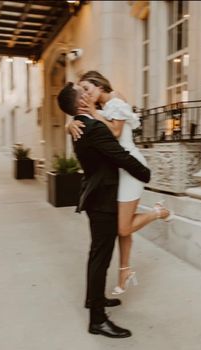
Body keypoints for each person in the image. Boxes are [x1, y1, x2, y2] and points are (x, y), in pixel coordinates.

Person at [57, 81, 152, 338]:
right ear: (80, 104)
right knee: (100, 258)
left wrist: (71, 122)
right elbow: (120, 156)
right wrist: (145, 173)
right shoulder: (92, 127)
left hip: (96, 195)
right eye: (83, 92)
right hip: (102, 200)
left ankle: (94, 300)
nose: (87, 93)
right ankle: (97, 320)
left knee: (97, 255)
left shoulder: (81, 126)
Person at [67, 71, 171, 295]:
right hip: (118, 171)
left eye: (87, 88)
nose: (84, 95)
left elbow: (114, 131)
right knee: (123, 229)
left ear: (99, 85)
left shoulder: (116, 100)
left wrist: (93, 112)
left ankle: (158, 212)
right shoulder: (100, 109)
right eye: (82, 91)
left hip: (131, 167)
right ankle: (125, 270)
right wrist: (71, 123)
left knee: (123, 227)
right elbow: (88, 123)